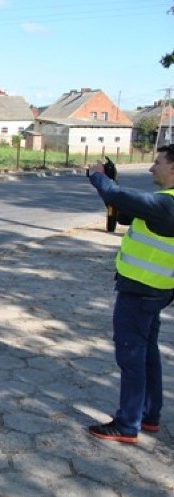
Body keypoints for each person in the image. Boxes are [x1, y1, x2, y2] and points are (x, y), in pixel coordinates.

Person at [87, 145, 174, 443]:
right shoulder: (164, 203)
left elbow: (118, 198)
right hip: (156, 289)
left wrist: (99, 177)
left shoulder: (167, 205)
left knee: (131, 355)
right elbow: (123, 214)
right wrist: (109, 183)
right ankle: (149, 415)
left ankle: (127, 424)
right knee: (147, 352)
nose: (151, 168)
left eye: (157, 162)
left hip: (141, 290)